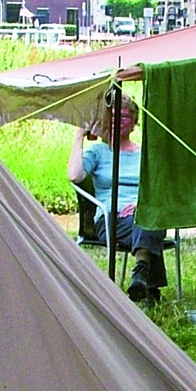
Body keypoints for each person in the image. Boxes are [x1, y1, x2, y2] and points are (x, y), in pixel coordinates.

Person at [68, 94, 169, 305]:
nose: (117, 121)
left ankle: (140, 274)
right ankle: (148, 285)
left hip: (144, 212)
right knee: (149, 221)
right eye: (111, 117)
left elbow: (161, 188)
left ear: (134, 123)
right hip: (110, 219)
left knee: (150, 215)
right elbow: (75, 176)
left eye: (123, 116)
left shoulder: (145, 154)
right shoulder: (98, 151)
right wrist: (79, 135)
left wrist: (142, 204)